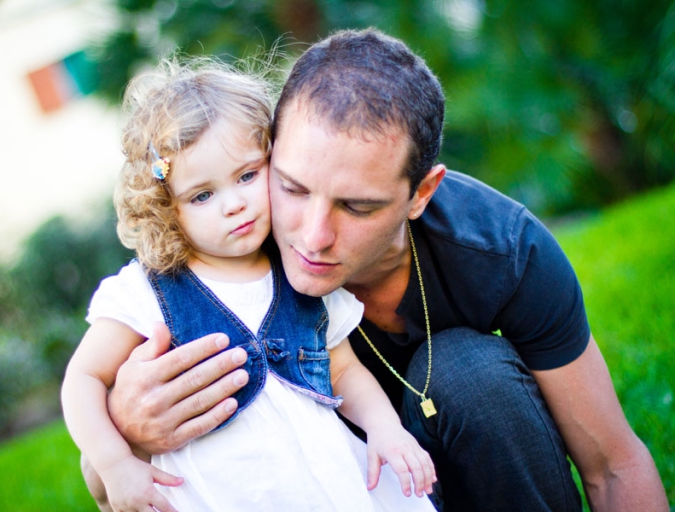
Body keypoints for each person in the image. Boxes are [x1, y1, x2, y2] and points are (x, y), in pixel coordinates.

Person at [87, 29, 669, 512]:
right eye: (290, 186)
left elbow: (614, 465)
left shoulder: (502, 252)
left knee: (470, 372)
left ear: (421, 193)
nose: (310, 236)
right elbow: (103, 477)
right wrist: (126, 433)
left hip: (439, 480)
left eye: (356, 206)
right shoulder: (201, 274)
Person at [62, 56, 438, 512]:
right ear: (166, 207)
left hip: (332, 489)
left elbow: (343, 370)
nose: (234, 205)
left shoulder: (298, 271)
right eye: (202, 195)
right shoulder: (147, 292)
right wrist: (115, 463)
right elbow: (82, 379)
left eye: (246, 176)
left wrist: (384, 427)